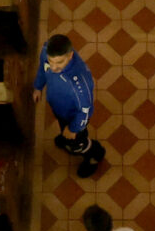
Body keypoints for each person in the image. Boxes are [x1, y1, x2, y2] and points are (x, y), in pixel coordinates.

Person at [35, 32, 104, 176]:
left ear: (70, 55)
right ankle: (66, 137)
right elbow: (43, 68)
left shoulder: (79, 81)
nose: (54, 67)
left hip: (74, 118)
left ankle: (94, 155)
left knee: (77, 144)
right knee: (64, 130)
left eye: (59, 63)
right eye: (51, 61)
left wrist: (73, 129)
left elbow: (85, 110)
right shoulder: (46, 50)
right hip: (60, 110)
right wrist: (38, 87)